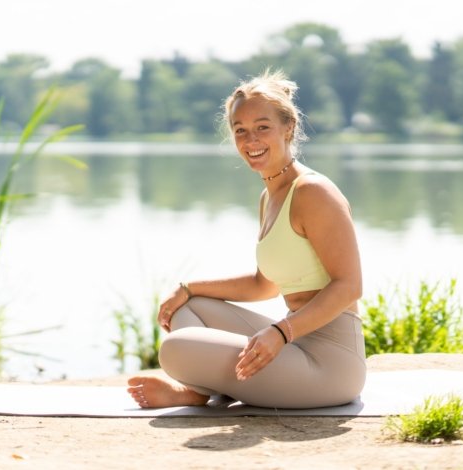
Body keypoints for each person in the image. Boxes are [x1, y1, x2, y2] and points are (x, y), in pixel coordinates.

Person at [127, 69, 366, 409]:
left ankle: (198, 391)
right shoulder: (270, 197)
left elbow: (349, 286)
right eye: (241, 131)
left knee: (175, 349)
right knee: (189, 309)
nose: (251, 140)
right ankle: (199, 390)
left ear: (289, 128)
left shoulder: (314, 192)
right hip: (294, 346)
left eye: (262, 128)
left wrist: (281, 332)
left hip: (330, 365)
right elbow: (263, 285)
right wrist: (189, 288)